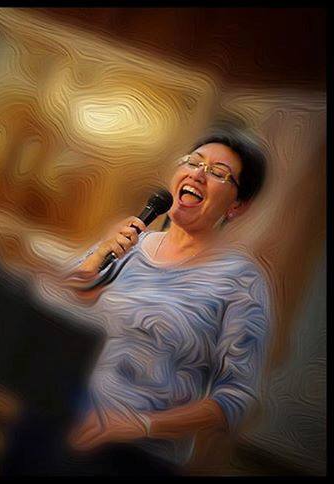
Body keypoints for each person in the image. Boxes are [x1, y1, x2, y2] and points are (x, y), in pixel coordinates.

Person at [43, 126, 271, 475]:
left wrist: (138, 425)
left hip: (138, 456)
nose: (198, 174)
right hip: (60, 419)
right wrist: (100, 254)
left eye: (218, 173)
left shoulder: (241, 282)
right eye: (194, 162)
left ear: (238, 205)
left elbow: (236, 398)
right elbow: (54, 307)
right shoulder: (130, 245)